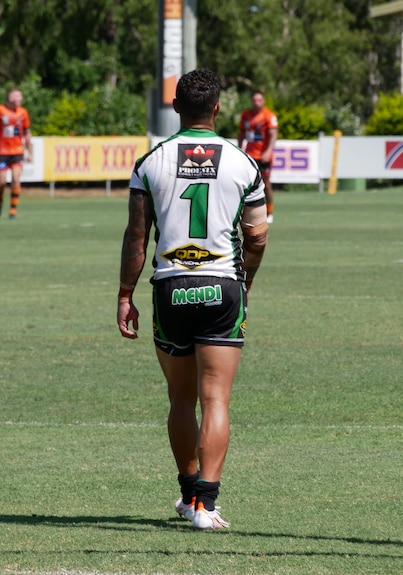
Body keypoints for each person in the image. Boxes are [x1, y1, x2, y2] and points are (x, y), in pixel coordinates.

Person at [116, 68, 269, 530]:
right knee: (215, 398)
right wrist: (247, 281)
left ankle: (187, 497)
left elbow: (136, 237)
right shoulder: (244, 162)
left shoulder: (150, 162)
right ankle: (207, 505)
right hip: (221, 285)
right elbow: (257, 236)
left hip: (170, 288)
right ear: (218, 108)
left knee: (181, 398)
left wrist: (125, 295)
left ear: (176, 108)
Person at [0, 87, 32, 219]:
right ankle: (0, 201)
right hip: (3, 153)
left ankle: (13, 211)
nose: (21, 99)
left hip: (17, 152)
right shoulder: (0, 110)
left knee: (16, 179)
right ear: (11, 98)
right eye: (18, 96)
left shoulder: (23, 112)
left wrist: (30, 151)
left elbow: (27, 132)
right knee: (1, 182)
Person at [237, 90, 278, 223]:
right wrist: (239, 148)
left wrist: (268, 151)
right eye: (255, 100)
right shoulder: (246, 115)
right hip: (249, 155)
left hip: (263, 156)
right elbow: (242, 133)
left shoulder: (269, 116)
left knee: (266, 184)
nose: (257, 103)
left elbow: (273, 134)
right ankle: (244, 211)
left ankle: (269, 211)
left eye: (259, 100)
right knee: (246, 184)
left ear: (263, 101)